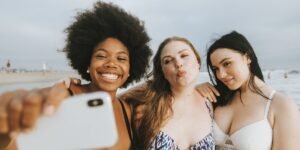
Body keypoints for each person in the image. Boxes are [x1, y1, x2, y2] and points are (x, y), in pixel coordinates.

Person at [0, 1, 152, 150]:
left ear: (131, 68)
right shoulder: (63, 97)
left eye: (121, 58)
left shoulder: (129, 111)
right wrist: (6, 128)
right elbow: (17, 144)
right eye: (101, 56)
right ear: (87, 63)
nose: (111, 64)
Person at [198, 31, 300, 149]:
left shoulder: (280, 105)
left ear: (247, 58)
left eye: (227, 64)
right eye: (216, 69)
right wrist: (193, 92)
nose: (221, 75)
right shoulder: (216, 97)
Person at [132, 36, 215, 149]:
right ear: (163, 73)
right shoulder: (146, 107)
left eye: (184, 55)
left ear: (198, 61)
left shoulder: (211, 102)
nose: (178, 63)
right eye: (167, 61)